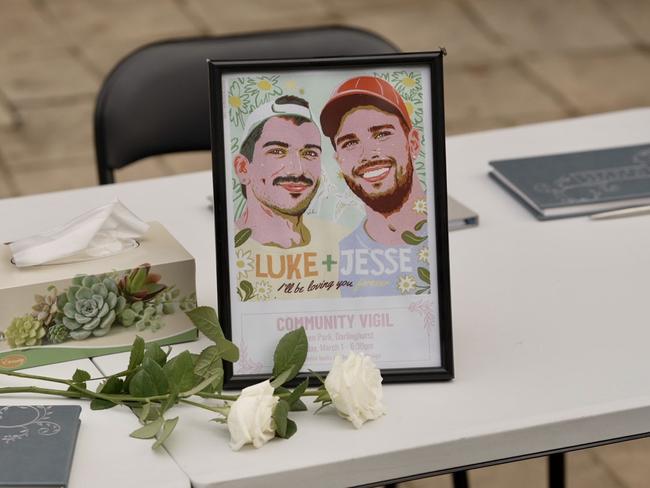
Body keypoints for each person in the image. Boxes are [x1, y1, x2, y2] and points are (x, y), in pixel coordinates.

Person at [320, 76, 431, 297]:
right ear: (339, 160)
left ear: (413, 143)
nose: (368, 154)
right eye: (350, 143)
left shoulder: (446, 239)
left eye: (381, 134)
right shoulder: (336, 259)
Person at [233, 95, 345, 301]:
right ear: (243, 168)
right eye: (277, 151)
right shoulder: (231, 253)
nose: (297, 170)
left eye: (310, 153)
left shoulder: (342, 242)